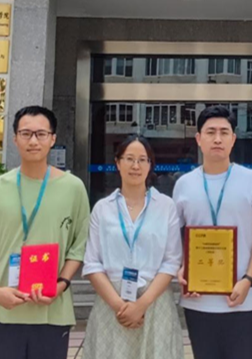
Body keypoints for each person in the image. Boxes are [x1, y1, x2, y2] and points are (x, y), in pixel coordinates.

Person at [0, 105, 90, 359]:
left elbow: (79, 245)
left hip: (52, 311)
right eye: (26, 133)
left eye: (41, 134)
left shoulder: (74, 188)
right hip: (4, 310)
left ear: (53, 139)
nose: (33, 141)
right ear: (15, 138)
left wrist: (61, 284)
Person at [173, 105, 252, 359]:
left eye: (224, 132)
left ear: (233, 139)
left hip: (243, 299)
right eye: (210, 132)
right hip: (197, 299)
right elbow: (175, 236)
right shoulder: (184, 184)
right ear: (198, 138)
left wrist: (248, 279)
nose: (217, 139)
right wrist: (182, 268)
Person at [82, 135, 184, 359]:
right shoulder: (102, 208)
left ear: (150, 165)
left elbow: (171, 260)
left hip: (154, 304)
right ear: (118, 163)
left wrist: (141, 305)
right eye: (129, 159)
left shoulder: (166, 206)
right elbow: (92, 263)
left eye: (142, 160)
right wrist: (120, 306)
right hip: (112, 304)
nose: (135, 166)